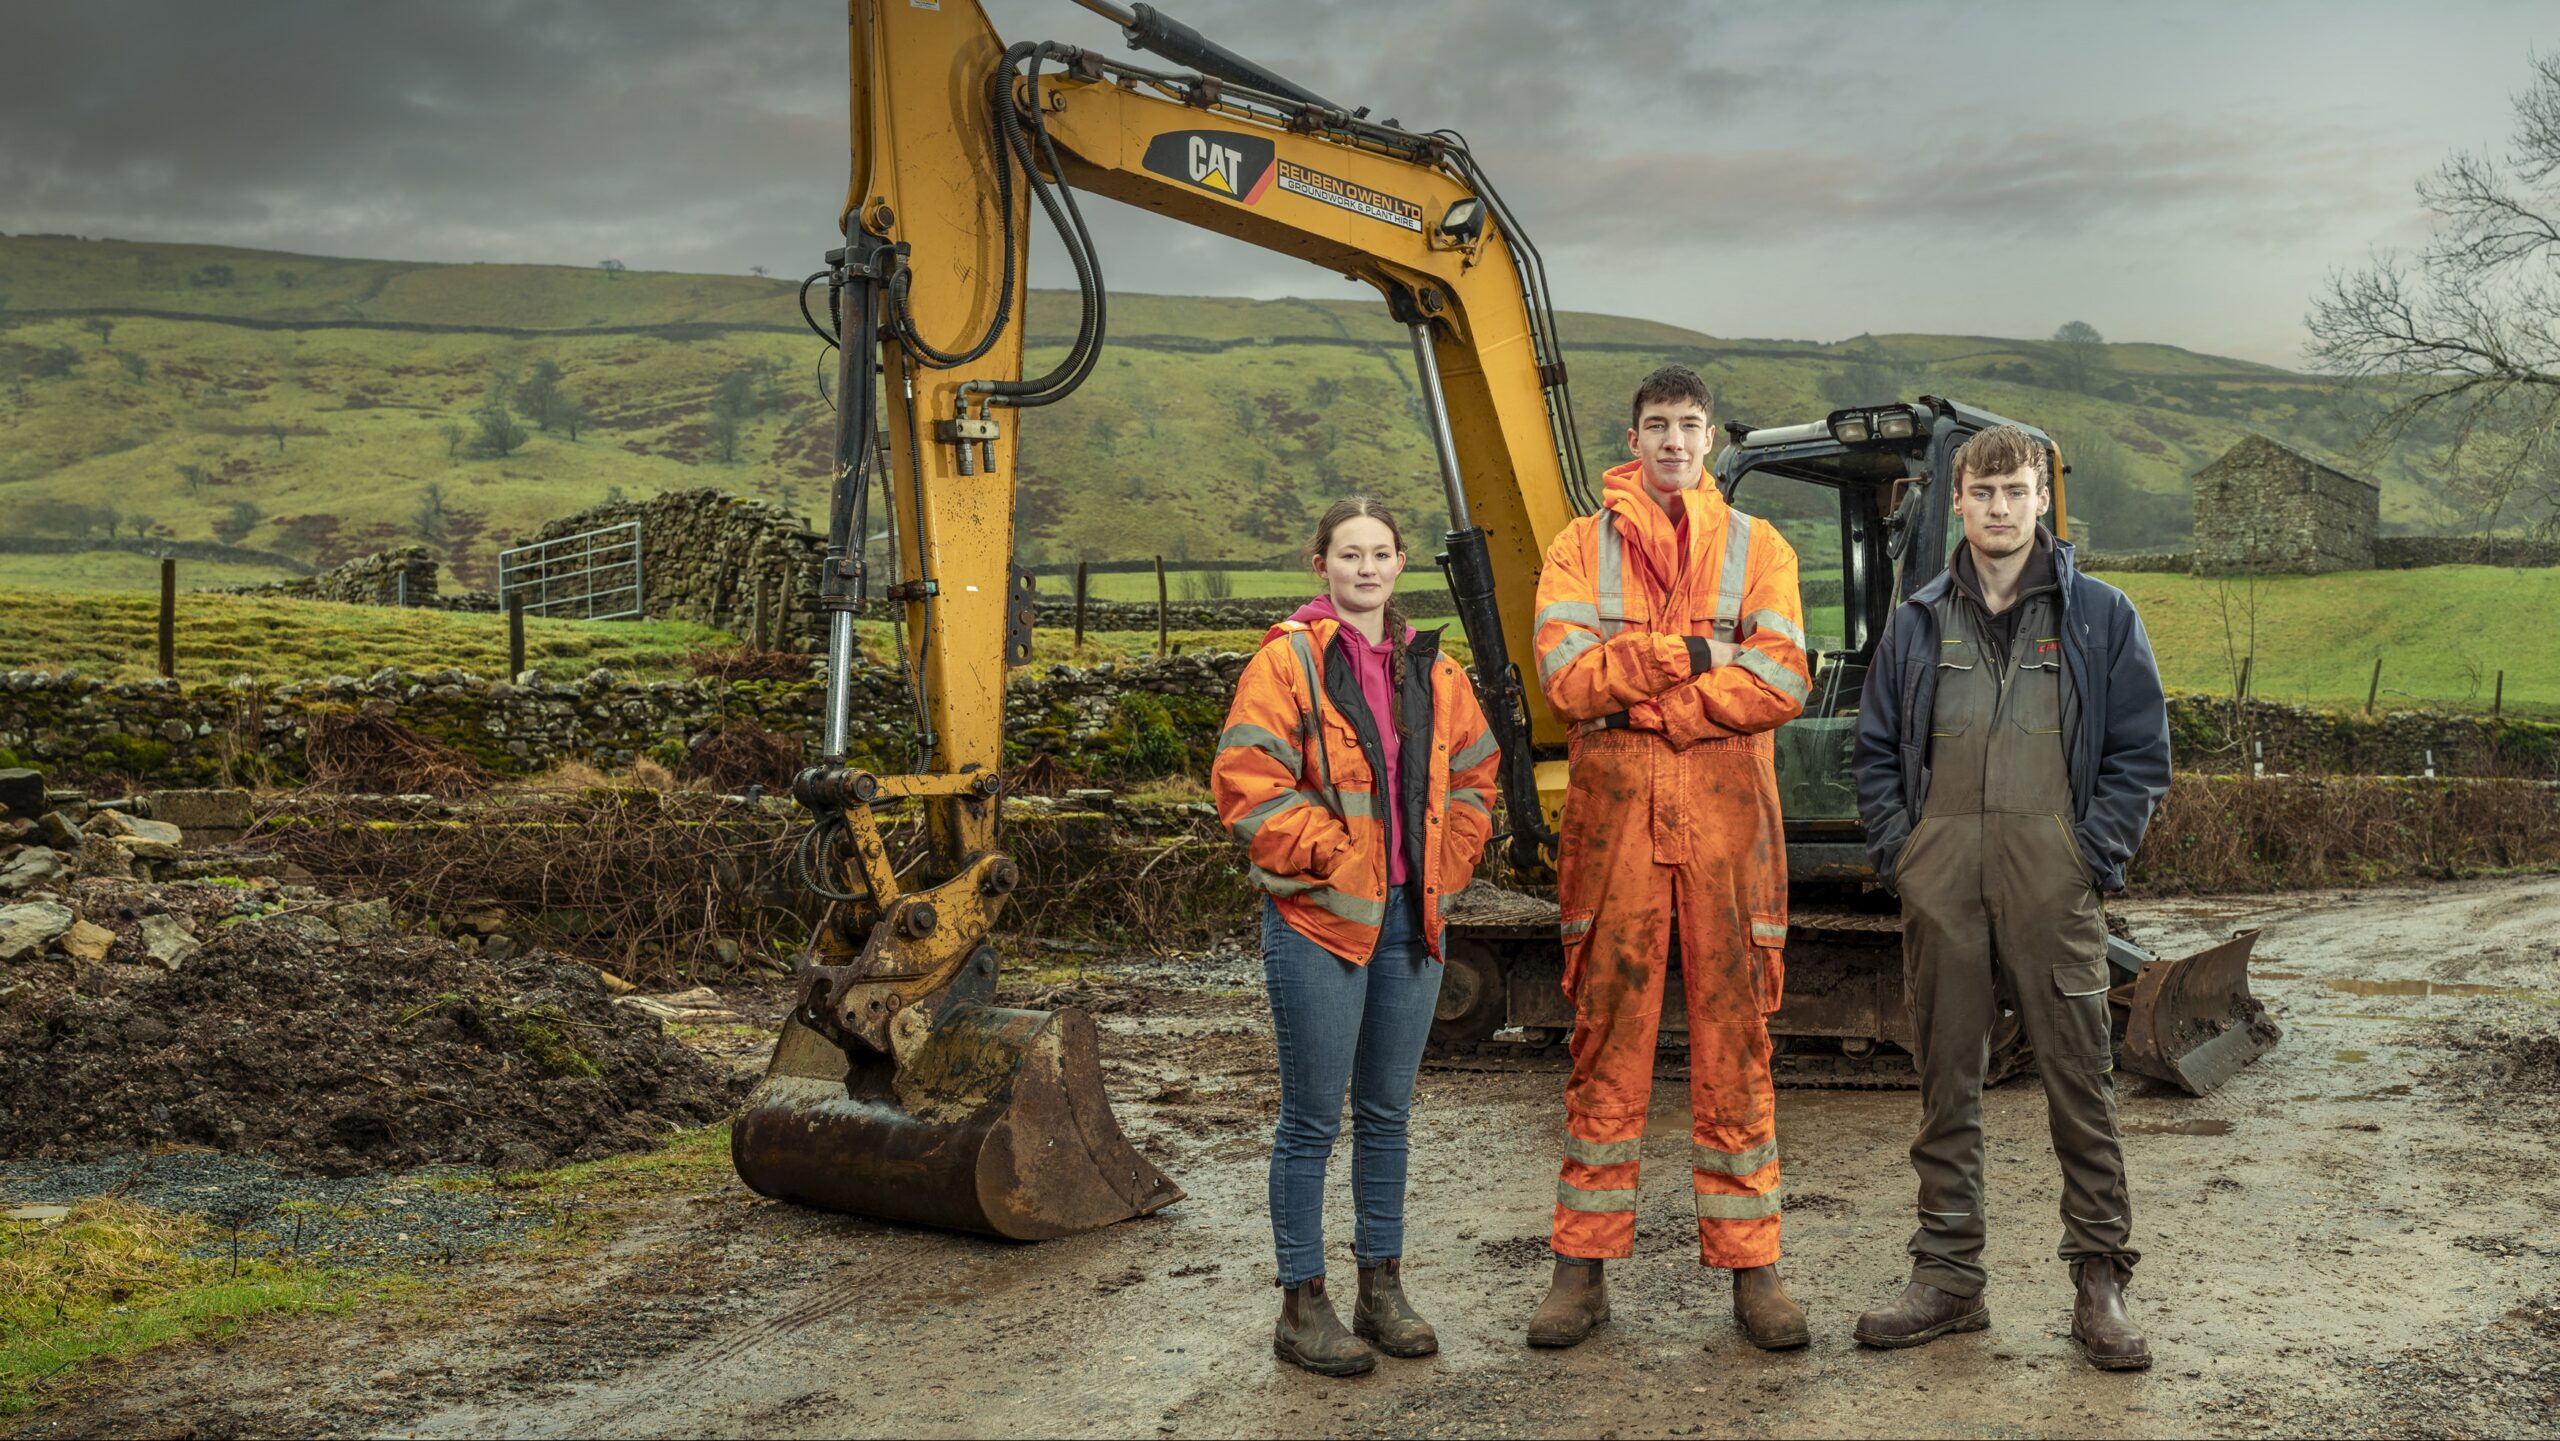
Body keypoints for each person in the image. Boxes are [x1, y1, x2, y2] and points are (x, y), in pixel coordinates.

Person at [1848, 423, 2171, 1370]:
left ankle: (2099, 1280)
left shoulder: (2101, 618)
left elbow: (2140, 756)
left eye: (2015, 491)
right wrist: (1902, 854)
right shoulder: (1916, 621)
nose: (1999, 507)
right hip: (1940, 878)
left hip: (2052, 880)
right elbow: (1875, 752)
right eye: (1982, 492)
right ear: (1958, 502)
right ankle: (1948, 1277)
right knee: (1945, 1078)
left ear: (2042, 501)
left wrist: (2089, 856)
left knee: (2081, 1078)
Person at [1522, 365, 1814, 1352]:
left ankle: (1753, 1273)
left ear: (1707, 438)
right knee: (1604, 1038)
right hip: (1615, 824)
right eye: (1658, 425)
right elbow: (1564, 676)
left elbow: (1780, 671)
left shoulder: (1757, 546)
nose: (1675, 442)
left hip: (1729, 822)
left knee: (1737, 1040)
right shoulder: (1577, 546)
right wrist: (1687, 656)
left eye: (1690, 426)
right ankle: (1580, 1269)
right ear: (1634, 436)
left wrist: (1662, 699)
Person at [1209, 495, 1503, 1378]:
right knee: (1309, 1120)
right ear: (1322, 566)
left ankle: (1384, 1289)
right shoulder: (1288, 661)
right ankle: (1303, 1304)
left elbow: (1478, 772)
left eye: (1380, 553)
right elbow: (1246, 779)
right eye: (1349, 554)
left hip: (1415, 923)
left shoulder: (1433, 670)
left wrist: (1445, 861)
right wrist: (1341, 855)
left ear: (1399, 564)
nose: (1365, 568)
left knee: (1386, 1117)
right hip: (1320, 924)